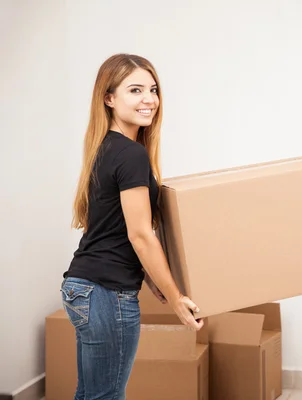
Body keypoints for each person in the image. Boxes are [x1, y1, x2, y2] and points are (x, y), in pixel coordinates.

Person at [62, 53, 203, 400]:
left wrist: (150, 277)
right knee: (105, 396)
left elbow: (112, 227)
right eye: (135, 90)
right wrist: (176, 299)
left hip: (83, 287)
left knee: (91, 394)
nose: (149, 100)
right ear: (109, 98)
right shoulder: (130, 154)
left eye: (153, 89)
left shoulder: (104, 148)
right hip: (107, 293)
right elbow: (140, 234)